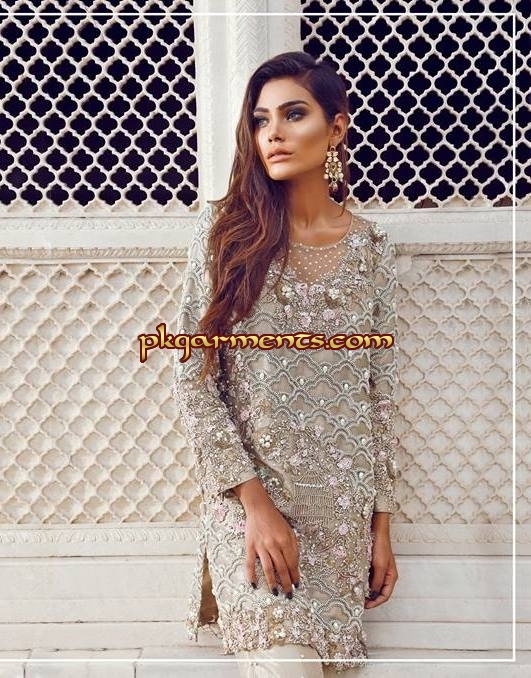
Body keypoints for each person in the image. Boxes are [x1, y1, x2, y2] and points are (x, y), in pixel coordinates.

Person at [171, 51, 400, 677]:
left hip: (341, 512)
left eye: (293, 115)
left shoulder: (371, 248)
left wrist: (381, 526)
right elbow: (192, 379)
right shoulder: (226, 234)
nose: (272, 132)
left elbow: (379, 393)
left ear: (336, 127)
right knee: (285, 662)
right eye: (260, 119)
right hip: (250, 504)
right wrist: (254, 503)